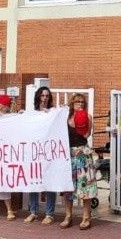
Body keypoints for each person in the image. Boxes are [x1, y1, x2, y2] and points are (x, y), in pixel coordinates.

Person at [64, 92, 97, 230]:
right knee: (67, 188)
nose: (80, 104)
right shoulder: (65, 118)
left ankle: (86, 217)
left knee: (85, 187)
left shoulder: (87, 117)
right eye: (77, 101)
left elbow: (86, 134)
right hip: (68, 155)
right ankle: (68, 215)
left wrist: (81, 118)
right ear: (72, 103)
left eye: (82, 102)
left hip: (82, 153)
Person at [25, 86, 57, 224]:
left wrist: (48, 114)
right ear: (38, 97)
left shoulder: (53, 112)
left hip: (48, 153)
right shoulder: (32, 114)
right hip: (35, 153)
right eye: (42, 96)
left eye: (47, 96)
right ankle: (33, 211)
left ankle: (49, 213)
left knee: (49, 182)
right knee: (34, 182)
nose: (44, 98)